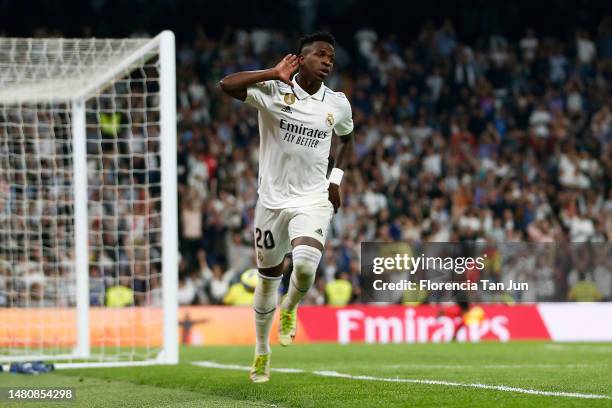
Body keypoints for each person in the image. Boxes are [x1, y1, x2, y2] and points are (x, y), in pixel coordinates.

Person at [220, 32, 354, 383]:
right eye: (321, 55)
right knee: (268, 280)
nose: (328, 61)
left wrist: (335, 178)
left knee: (307, 267)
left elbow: (347, 138)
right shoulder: (274, 91)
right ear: (300, 58)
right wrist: (271, 73)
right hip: (272, 202)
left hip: (313, 198)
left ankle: (291, 307)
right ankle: (261, 350)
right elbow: (226, 85)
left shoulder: (337, 103)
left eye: (332, 58)